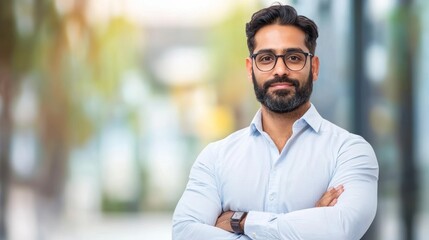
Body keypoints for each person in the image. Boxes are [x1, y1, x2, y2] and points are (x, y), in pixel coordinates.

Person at [172, 3, 378, 240]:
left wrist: (240, 221)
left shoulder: (350, 151)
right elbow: (184, 231)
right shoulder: (216, 158)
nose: (280, 69)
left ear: (315, 67)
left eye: (293, 57)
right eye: (266, 58)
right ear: (251, 69)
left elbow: (340, 228)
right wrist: (307, 225)